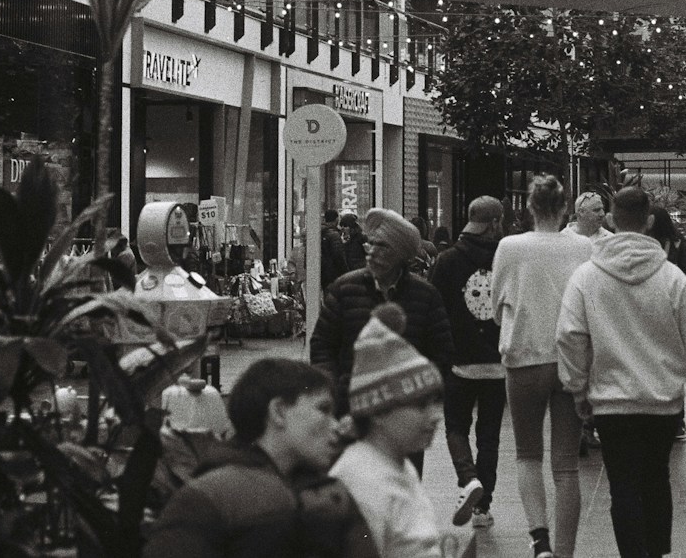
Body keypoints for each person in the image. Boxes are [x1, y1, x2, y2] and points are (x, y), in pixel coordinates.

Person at [556, 186, 686, 558]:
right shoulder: (672, 277)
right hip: (662, 402)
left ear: (611, 220)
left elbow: (569, 336)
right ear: (648, 222)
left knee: (623, 486)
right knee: (657, 480)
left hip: (612, 403)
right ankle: (658, 552)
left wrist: (578, 389)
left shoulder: (586, 277)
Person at [146, 357, 379, 558]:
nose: (336, 426)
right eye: (323, 409)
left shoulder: (324, 492)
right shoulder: (224, 493)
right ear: (278, 411)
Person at [490, 174, 593, 558]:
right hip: (570, 360)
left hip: (524, 358)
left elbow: (498, 305)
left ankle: (540, 541)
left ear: (529, 208)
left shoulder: (510, 247)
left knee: (527, 454)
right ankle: (565, 551)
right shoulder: (584, 247)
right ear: (565, 207)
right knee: (566, 465)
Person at [310, 208, 455, 427]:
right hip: (351, 413)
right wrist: (337, 391)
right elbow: (322, 346)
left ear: (401, 253)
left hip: (405, 418)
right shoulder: (344, 289)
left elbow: (442, 353)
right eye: (371, 243)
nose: (371, 252)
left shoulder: (425, 295)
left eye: (382, 246)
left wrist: (419, 395)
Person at [330, 306, 452, 558]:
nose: (435, 415)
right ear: (378, 413)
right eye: (420, 405)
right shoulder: (362, 483)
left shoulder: (398, 465)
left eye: (434, 402)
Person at [429, 195, 507, 528]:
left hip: (458, 361)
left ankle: (468, 478)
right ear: (495, 223)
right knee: (489, 436)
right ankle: (482, 508)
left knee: (456, 427)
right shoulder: (506, 258)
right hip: (497, 361)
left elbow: (435, 310)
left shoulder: (446, 261)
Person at [646, 203, 686, 442]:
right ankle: (676, 421)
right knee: (671, 368)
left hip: (649, 314)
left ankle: (653, 416)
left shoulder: (645, 247)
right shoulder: (681, 246)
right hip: (674, 314)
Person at [321, 211, 347, 290]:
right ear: (336, 219)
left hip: (320, 271)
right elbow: (338, 255)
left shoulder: (319, 232)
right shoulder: (334, 235)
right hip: (332, 273)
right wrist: (345, 271)